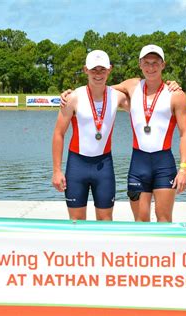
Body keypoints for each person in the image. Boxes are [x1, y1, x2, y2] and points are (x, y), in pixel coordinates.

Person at [113, 44, 186, 223]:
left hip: (164, 164)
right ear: (140, 64)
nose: (150, 67)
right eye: (146, 63)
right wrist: (69, 94)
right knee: (140, 222)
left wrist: (184, 170)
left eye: (155, 63)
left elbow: (185, 133)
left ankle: (164, 252)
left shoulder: (176, 95)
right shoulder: (132, 85)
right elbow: (100, 88)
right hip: (138, 164)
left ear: (163, 65)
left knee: (164, 220)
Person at [51, 50, 129, 221]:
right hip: (77, 166)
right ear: (85, 70)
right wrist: (57, 171)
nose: (98, 74)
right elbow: (58, 134)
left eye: (102, 69)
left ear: (110, 70)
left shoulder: (118, 97)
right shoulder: (72, 98)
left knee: (105, 223)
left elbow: (142, 87)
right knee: (77, 225)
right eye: (94, 69)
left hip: (104, 166)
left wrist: (170, 85)